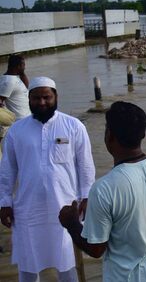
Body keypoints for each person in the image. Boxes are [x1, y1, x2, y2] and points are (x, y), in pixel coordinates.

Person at [58, 101, 146, 281]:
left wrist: (71, 223)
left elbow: (96, 248)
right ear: (143, 134)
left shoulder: (103, 188)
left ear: (109, 136)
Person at [0, 77, 95, 282]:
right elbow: (7, 171)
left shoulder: (74, 126)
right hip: (27, 209)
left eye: (46, 97)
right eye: (36, 98)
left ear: (56, 97)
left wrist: (87, 197)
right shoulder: (17, 131)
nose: (42, 102)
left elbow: (85, 166)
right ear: (29, 99)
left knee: (68, 263)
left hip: (66, 207)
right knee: (28, 264)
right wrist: (5, 202)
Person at [0, 54, 31, 120]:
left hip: (27, 117)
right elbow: (0, 100)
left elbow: (26, 87)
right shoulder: (8, 81)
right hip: (19, 119)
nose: (25, 67)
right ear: (18, 66)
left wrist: (22, 73)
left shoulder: (14, 77)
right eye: (23, 65)